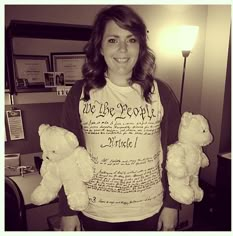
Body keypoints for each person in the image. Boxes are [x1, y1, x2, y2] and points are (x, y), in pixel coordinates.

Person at [59, 5, 181, 231]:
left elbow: (176, 152)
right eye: (113, 40)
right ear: (100, 47)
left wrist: (172, 204)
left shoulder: (161, 92)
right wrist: (68, 210)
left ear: (141, 46)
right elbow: (65, 157)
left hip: (150, 211)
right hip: (95, 212)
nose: (123, 49)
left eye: (131, 40)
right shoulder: (80, 93)